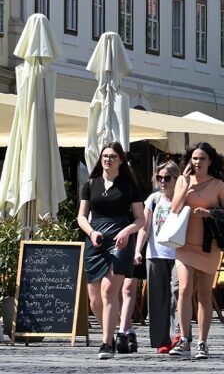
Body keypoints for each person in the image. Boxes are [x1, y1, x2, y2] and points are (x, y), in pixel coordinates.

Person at [77, 142, 147, 360]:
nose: (107, 159)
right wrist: (91, 233)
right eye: (105, 156)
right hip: (95, 240)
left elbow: (140, 218)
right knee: (94, 301)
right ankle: (119, 331)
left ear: (120, 160)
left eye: (112, 156)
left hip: (120, 240)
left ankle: (106, 344)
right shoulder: (91, 183)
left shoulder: (128, 185)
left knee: (108, 291)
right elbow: (81, 216)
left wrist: (127, 231)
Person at [169, 142, 224, 359]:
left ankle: (202, 342)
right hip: (184, 244)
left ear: (210, 161)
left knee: (204, 294)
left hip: (208, 246)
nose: (197, 162)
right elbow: (174, 208)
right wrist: (185, 184)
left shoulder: (218, 185)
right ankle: (185, 339)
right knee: (184, 288)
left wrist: (210, 213)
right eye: (194, 158)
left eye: (202, 158)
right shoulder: (182, 181)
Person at [136, 159, 180, 354]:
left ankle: (179, 334)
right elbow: (144, 228)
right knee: (157, 298)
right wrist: (138, 249)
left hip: (179, 253)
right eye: (159, 177)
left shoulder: (182, 198)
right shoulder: (153, 199)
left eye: (167, 178)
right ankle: (162, 340)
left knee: (178, 294)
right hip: (155, 254)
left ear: (176, 179)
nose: (163, 181)